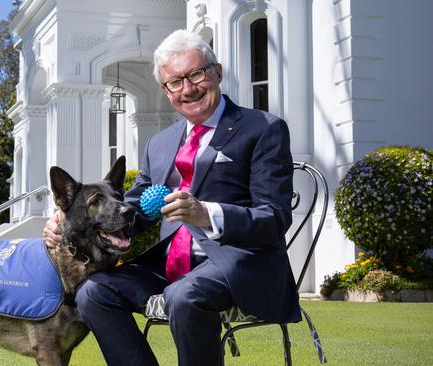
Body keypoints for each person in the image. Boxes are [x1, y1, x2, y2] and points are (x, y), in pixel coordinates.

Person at [43, 29, 300, 365]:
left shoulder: (263, 128)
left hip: (240, 263)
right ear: (165, 90)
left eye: (196, 74)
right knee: (94, 291)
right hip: (169, 267)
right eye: (175, 82)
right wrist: (67, 219)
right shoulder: (161, 143)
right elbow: (132, 208)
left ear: (217, 72)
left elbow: (275, 216)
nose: (188, 89)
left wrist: (206, 214)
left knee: (185, 295)